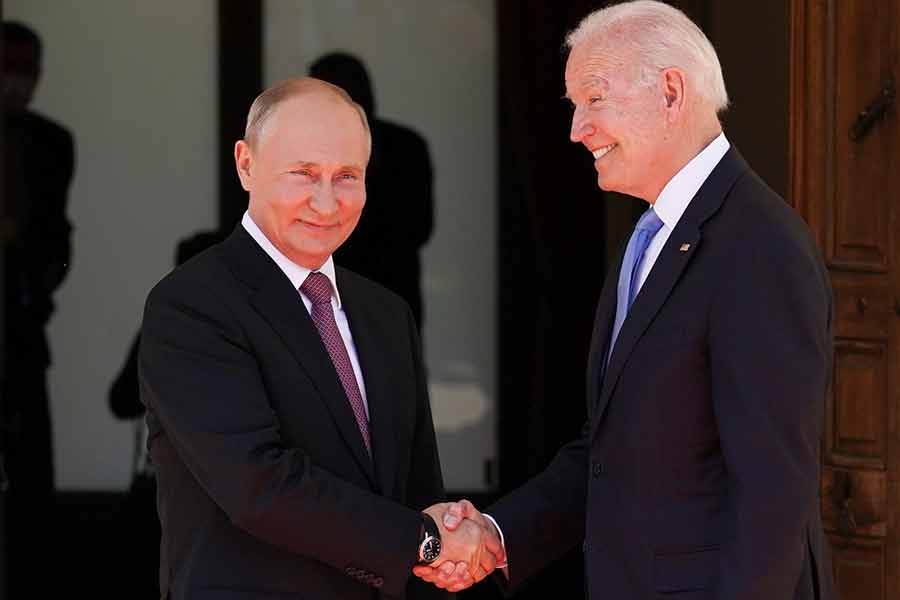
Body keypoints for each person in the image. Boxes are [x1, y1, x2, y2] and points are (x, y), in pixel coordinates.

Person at [416, 2, 837, 598]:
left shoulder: (759, 247)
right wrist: (497, 533)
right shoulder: (649, 238)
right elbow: (609, 448)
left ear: (671, 93)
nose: (576, 129)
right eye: (574, 105)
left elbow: (773, 496)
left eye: (594, 99)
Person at [138, 78, 500, 599]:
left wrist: (441, 542)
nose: (327, 203)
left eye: (346, 176)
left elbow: (417, 490)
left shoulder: (385, 314)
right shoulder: (192, 305)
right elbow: (259, 487)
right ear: (245, 165)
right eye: (304, 174)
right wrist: (425, 542)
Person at [2, 20, 74, 595]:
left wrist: (39, 283)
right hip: (24, 316)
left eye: (24, 70)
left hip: (24, 322)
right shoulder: (48, 142)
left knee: (31, 476)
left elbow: (54, 233)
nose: (15, 82)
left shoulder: (50, 143)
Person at [309, 52, 433, 331]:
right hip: (329, 291)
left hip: (389, 288)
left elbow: (418, 226)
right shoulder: (306, 153)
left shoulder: (404, 148)